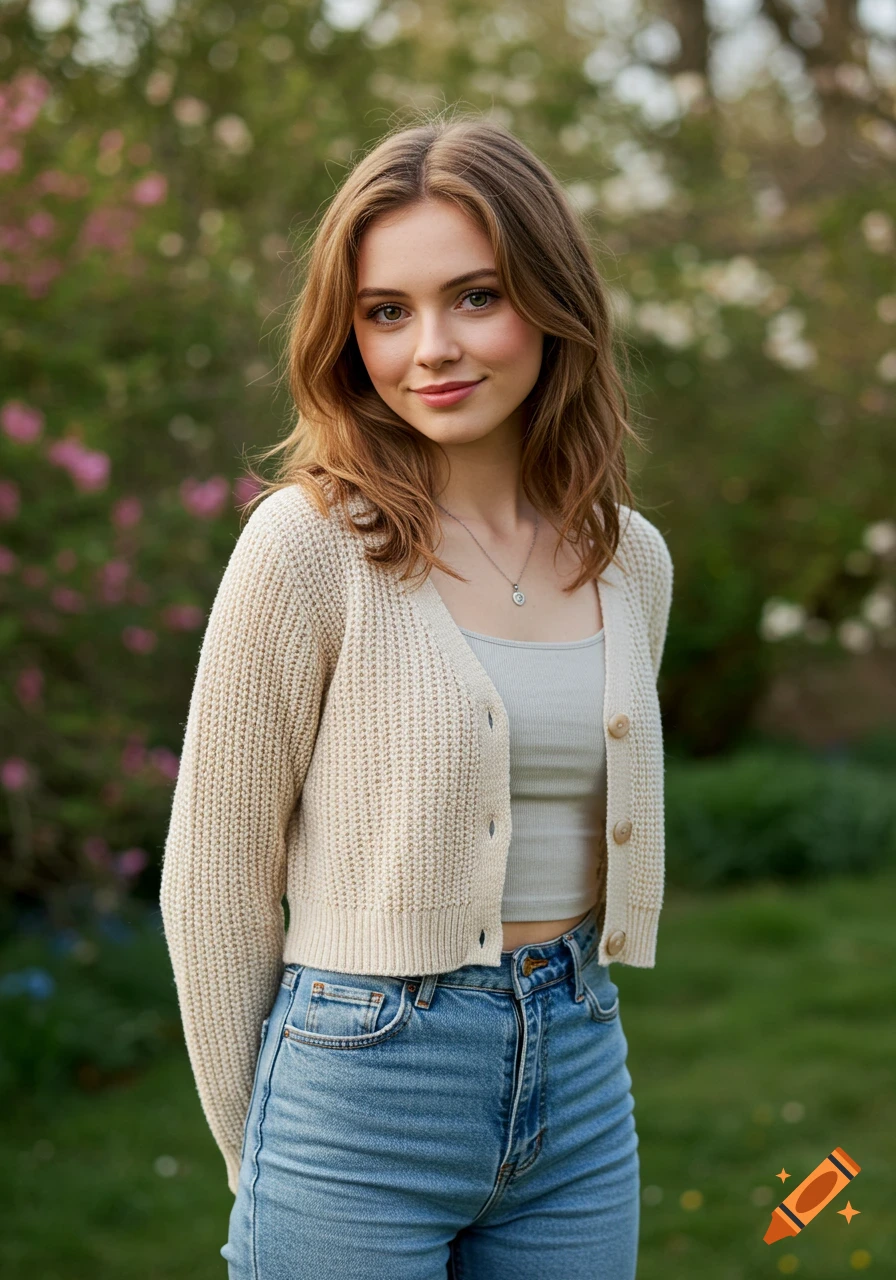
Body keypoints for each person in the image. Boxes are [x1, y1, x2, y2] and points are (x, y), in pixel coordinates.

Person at [160, 108, 673, 1280]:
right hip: (360, 1078)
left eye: (474, 296)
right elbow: (212, 878)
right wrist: (265, 1149)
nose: (429, 346)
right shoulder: (305, 547)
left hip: (582, 1072)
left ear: (550, 302)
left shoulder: (629, 556)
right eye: (386, 311)